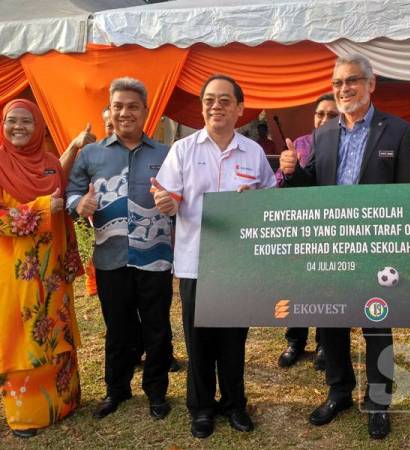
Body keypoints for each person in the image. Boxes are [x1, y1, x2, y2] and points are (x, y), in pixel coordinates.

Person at [279, 54, 410, 439]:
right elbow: (313, 189)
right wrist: (293, 172)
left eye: (351, 81)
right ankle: (339, 391)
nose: (343, 89)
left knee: (376, 324)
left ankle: (378, 402)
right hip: (331, 248)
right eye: (337, 83)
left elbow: (405, 194)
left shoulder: (398, 131)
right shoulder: (324, 134)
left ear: (371, 85)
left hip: (376, 249)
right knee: (331, 323)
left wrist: (397, 248)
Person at [154, 74, 276, 439]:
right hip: (195, 262)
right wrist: (165, 202)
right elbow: (168, 197)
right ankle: (202, 408)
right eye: (209, 99)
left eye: (225, 100)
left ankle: (235, 404)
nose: (215, 106)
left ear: (240, 108)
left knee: (234, 340)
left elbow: (269, 200)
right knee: (199, 340)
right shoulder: (183, 149)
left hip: (238, 266)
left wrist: (256, 201)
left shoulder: (253, 153)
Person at [66, 77, 174, 421]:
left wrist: (174, 201)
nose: (124, 112)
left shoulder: (166, 153)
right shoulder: (92, 155)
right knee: (118, 328)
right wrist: (77, 203)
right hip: (111, 258)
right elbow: (71, 191)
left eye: (132, 106)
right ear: (110, 111)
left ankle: (156, 392)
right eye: (118, 106)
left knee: (157, 327)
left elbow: (182, 194)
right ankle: (117, 389)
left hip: (155, 257)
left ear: (145, 111)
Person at [0, 99, 82, 438]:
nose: (18, 127)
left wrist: (74, 148)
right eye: (11, 121)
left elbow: (60, 185)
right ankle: (27, 414)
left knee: (55, 328)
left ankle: (64, 402)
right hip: (15, 272)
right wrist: (42, 207)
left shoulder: (48, 161)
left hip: (51, 271)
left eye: (26, 122)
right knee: (23, 336)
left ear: (39, 127)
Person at [275, 93, 338, 370]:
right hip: (299, 229)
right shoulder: (298, 144)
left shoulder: (344, 145)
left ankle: (325, 343)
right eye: (320, 114)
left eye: (332, 115)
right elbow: (279, 185)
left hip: (332, 230)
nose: (325, 119)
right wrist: (289, 170)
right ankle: (295, 341)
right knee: (297, 285)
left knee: (328, 287)